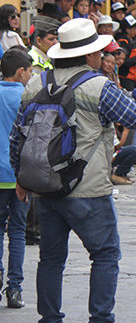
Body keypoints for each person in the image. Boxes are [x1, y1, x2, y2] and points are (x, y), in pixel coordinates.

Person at [9, 18, 136, 322]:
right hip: (89, 189)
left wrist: (21, 176)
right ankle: (100, 318)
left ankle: (50, 318)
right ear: (88, 56)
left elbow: (19, 135)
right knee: (105, 254)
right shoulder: (98, 86)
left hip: (46, 185)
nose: (102, 57)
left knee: (51, 259)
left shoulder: (36, 83)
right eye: (98, 51)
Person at [0, 49, 33, 308]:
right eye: (30, 71)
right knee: (18, 232)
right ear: (21, 71)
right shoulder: (27, 97)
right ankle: (15, 289)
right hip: (21, 175)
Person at [115, 15, 136, 91]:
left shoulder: (135, 40)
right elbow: (123, 62)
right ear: (127, 29)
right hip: (126, 79)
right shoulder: (123, 42)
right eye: (134, 28)